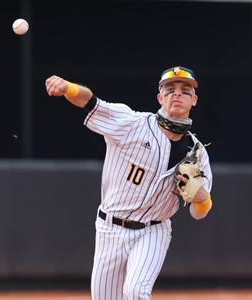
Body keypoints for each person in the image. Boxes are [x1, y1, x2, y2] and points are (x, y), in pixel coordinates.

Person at [45, 66, 213, 300]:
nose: (177, 94)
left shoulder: (197, 153)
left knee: (136, 293)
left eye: (185, 90)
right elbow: (90, 102)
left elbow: (199, 212)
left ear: (194, 100)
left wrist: (201, 196)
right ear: (159, 97)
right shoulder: (131, 124)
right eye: (170, 89)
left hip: (153, 231)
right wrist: (67, 88)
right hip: (110, 229)